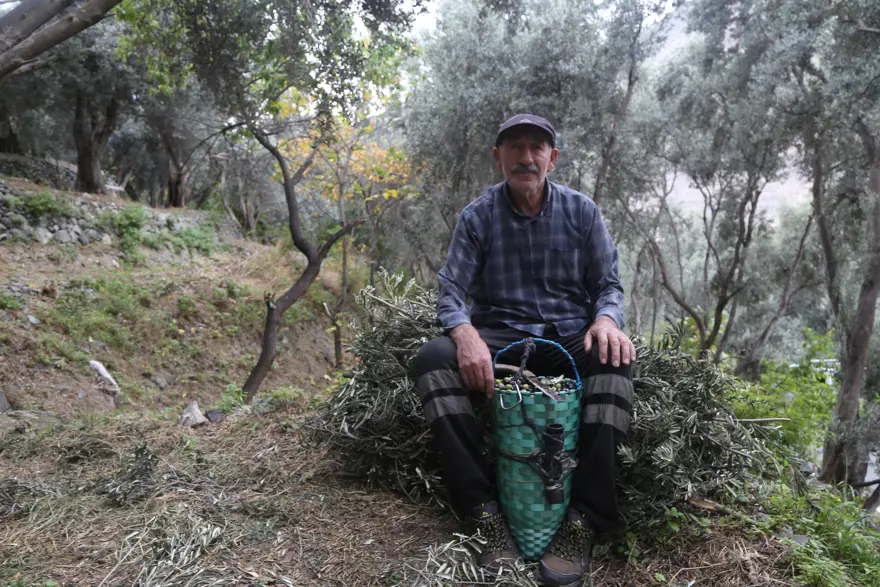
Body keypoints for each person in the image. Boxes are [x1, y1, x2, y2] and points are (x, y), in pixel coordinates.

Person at [412, 114, 636, 587]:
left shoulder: (582, 212)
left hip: (569, 336)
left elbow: (609, 285)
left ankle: (584, 521)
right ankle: (482, 513)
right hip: (501, 335)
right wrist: (465, 333)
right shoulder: (478, 217)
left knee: (615, 361)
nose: (526, 157)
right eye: (515, 147)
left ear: (552, 158)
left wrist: (606, 320)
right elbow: (450, 291)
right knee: (433, 361)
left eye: (537, 148)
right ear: (499, 157)